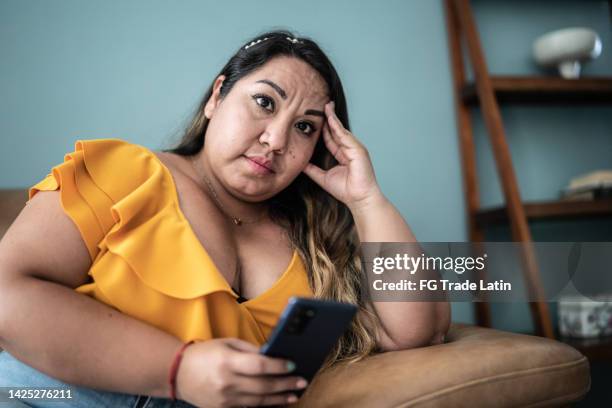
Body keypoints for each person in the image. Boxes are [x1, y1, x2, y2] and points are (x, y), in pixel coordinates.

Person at [0, 30, 450, 407]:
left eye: (305, 127)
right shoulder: (123, 170)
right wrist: (179, 370)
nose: (275, 140)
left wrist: (368, 200)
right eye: (265, 103)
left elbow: (416, 331)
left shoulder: (314, 238)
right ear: (217, 96)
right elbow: (7, 292)